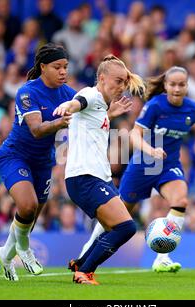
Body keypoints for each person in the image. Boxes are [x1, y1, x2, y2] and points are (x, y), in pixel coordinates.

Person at [70, 66, 195, 273]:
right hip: (143, 166)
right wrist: (151, 150)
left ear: (187, 86)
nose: (176, 89)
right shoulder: (155, 106)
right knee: (116, 216)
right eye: (172, 84)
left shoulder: (193, 109)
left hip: (169, 165)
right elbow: (134, 135)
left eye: (181, 85)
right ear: (165, 86)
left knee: (181, 200)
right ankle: (87, 250)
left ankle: (162, 257)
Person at [53, 55, 145, 285]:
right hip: (86, 177)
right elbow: (79, 102)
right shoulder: (91, 95)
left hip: (95, 178)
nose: (122, 86)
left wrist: (109, 115)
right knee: (125, 227)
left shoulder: (101, 106)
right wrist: (68, 105)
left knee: (111, 226)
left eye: (124, 82)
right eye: (118, 81)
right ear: (102, 78)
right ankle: (85, 271)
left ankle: (81, 262)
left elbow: (90, 117)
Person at [0, 43, 75, 281]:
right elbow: (37, 130)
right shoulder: (27, 92)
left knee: (30, 216)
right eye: (57, 67)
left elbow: (91, 107)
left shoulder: (68, 94)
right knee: (27, 206)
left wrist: (109, 112)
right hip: (15, 155)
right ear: (43, 67)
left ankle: (5, 255)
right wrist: (60, 123)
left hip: (42, 161)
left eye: (65, 67)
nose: (63, 72)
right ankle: (25, 251)